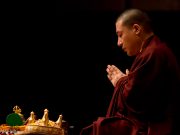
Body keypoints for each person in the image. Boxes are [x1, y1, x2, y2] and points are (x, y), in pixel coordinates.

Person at [80, 9, 180, 135]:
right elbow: (142, 92)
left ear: (136, 29)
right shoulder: (151, 51)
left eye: (120, 35)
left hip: (155, 128)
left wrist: (120, 82)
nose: (119, 43)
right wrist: (127, 81)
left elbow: (137, 102)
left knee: (99, 128)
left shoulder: (153, 53)